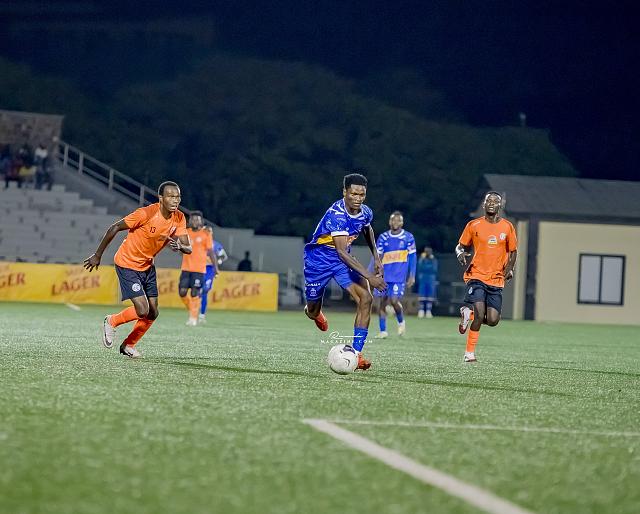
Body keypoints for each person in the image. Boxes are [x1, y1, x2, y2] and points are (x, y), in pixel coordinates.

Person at [83, 181, 191, 358]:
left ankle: (129, 345)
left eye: (178, 196)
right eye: (171, 196)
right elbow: (115, 227)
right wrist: (97, 255)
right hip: (127, 263)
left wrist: (181, 246)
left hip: (147, 266)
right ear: (161, 198)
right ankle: (111, 321)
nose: (175, 200)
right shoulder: (146, 213)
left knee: (153, 312)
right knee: (142, 310)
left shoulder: (179, 217)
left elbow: (188, 248)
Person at [303, 172, 386, 370]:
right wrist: (370, 276)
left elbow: (366, 228)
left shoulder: (365, 212)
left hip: (341, 263)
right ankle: (315, 313)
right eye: (353, 194)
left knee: (366, 298)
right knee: (312, 310)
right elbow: (341, 252)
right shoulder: (337, 215)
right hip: (318, 262)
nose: (357, 199)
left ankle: (356, 355)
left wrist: (376, 257)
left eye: (361, 195)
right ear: (344, 192)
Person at [455, 191, 517, 362]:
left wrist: (510, 269)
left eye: (495, 201)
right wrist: (460, 253)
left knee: (492, 320)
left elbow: (513, 251)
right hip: (476, 276)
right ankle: (469, 354)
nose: (491, 203)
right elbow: (460, 246)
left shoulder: (507, 227)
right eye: (488, 200)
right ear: (483, 204)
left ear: (500, 205)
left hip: (496, 278)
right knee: (480, 312)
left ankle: (468, 314)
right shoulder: (473, 225)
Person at [372, 211, 416, 338]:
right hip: (385, 276)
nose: (395, 222)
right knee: (382, 302)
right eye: (393, 220)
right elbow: (378, 257)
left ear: (402, 223)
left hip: (398, 277)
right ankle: (383, 331)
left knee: (394, 300)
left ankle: (401, 322)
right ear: (389, 222)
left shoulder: (408, 237)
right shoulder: (383, 237)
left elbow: (412, 257)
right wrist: (375, 273)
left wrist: (412, 275)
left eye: (398, 220)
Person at [179, 211, 216, 326]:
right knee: (182, 292)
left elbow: (210, 251)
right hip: (186, 268)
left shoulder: (206, 233)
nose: (195, 221)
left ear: (201, 221)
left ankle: (193, 317)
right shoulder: (185, 232)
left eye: (197, 219)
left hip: (199, 269)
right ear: (189, 221)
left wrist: (215, 268)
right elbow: (180, 249)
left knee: (195, 293)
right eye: (193, 219)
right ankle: (192, 310)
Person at [199, 225, 227, 323]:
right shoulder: (198, 243)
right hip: (198, 268)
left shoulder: (215, 244)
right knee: (196, 291)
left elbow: (223, 256)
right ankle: (195, 313)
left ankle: (202, 314)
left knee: (205, 290)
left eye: (208, 232)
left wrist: (218, 262)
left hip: (209, 269)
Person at [417, 246, 438, 318]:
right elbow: (420, 267)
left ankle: (428, 311)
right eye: (426, 252)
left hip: (431, 279)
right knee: (422, 295)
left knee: (430, 295)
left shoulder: (433, 260)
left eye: (429, 252)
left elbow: (434, 269)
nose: (427, 253)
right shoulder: (422, 259)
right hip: (423, 279)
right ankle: (421, 310)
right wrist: (422, 259)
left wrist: (427, 266)